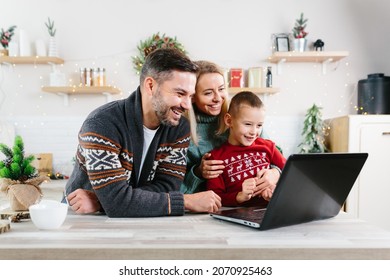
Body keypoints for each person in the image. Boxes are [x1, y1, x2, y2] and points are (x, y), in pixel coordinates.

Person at [64, 48, 221, 217]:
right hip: (81, 220)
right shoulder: (102, 123)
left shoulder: (179, 128)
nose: (187, 105)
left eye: (190, 96)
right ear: (150, 86)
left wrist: (103, 200)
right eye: (180, 94)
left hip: (143, 220)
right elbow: (117, 203)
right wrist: (186, 201)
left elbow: (167, 187)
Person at [181, 61, 281, 195]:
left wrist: (276, 173)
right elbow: (175, 190)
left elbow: (274, 155)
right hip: (211, 207)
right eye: (208, 93)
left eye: (221, 89)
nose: (218, 98)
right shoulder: (181, 132)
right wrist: (198, 172)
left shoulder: (241, 117)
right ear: (192, 96)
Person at [206, 91, 286, 207]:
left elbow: (290, 173)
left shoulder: (268, 147)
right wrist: (239, 196)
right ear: (229, 121)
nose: (254, 132)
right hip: (236, 214)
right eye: (248, 124)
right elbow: (215, 197)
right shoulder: (216, 158)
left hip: (269, 210)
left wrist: (277, 186)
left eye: (259, 125)